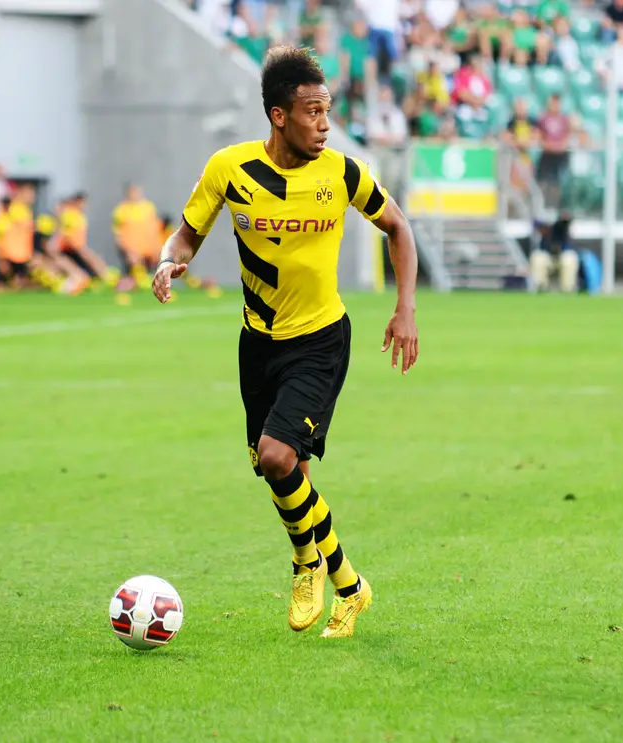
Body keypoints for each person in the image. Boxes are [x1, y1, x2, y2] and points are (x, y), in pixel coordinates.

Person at [151, 46, 419, 639]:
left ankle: (311, 564)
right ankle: (346, 582)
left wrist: (405, 309)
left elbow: (398, 228)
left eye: (328, 111)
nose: (325, 124)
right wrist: (169, 262)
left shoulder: (342, 173)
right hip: (257, 345)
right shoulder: (230, 169)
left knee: (278, 457)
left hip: (320, 339)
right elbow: (187, 233)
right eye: (313, 112)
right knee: (280, 470)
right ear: (279, 115)